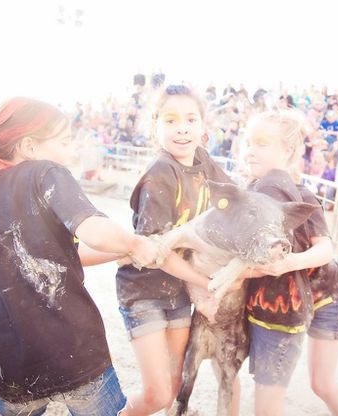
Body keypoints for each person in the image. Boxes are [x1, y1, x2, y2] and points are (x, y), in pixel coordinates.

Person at [0, 97, 161, 416]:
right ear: (30, 146)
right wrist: (136, 244)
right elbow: (94, 230)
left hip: (11, 367)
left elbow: (55, 257)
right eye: (65, 141)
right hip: (75, 353)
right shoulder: (46, 172)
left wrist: (118, 251)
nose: (71, 150)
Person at [114, 85, 233, 416]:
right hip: (144, 289)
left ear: (203, 126)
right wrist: (203, 282)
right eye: (171, 120)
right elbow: (155, 252)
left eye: (191, 119)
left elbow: (233, 197)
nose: (182, 128)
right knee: (158, 396)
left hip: (178, 290)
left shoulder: (204, 161)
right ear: (156, 126)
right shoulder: (160, 173)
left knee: (176, 382)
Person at [240, 110, 338, 415]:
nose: (250, 150)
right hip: (282, 300)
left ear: (287, 151)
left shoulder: (303, 196)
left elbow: (325, 249)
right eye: (248, 142)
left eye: (262, 143)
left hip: (328, 296)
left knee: (322, 384)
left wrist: (290, 263)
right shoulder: (248, 194)